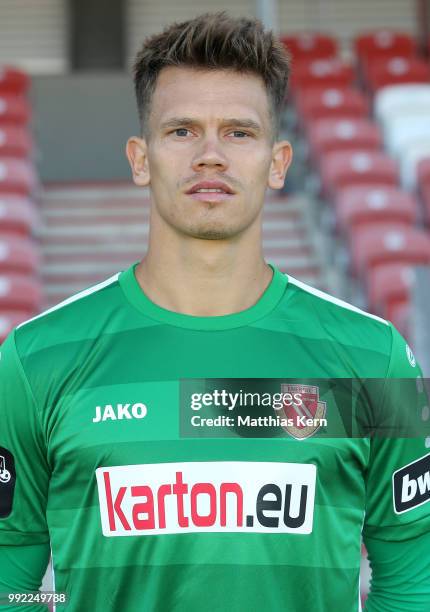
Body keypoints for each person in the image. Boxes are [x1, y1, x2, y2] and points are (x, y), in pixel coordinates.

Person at [0, 11, 429, 612]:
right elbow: (8, 581)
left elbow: (413, 579)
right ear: (139, 157)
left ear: (278, 163)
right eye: (181, 131)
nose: (209, 155)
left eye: (239, 132)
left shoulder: (376, 356)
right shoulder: (33, 359)